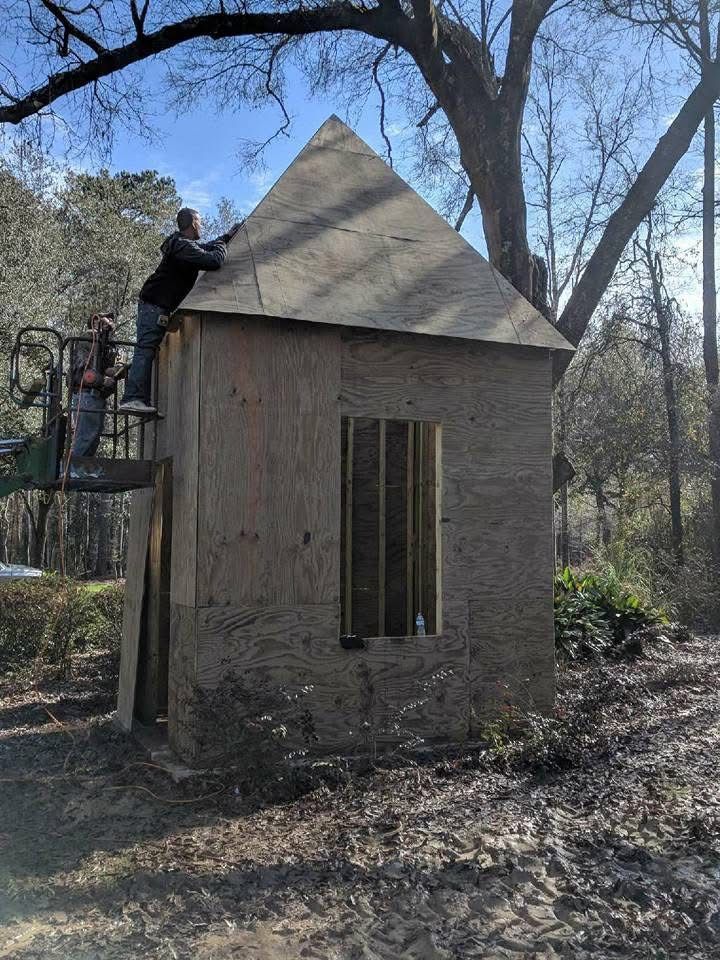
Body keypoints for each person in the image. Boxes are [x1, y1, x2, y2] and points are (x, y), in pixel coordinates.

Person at [118, 208, 238, 416]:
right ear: (193, 223)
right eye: (200, 222)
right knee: (145, 348)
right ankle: (133, 398)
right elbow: (213, 261)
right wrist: (221, 245)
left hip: (155, 304)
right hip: (154, 305)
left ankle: (138, 398)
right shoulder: (182, 245)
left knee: (147, 349)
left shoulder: (182, 246)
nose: (201, 225)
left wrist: (226, 236)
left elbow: (204, 249)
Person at [68, 314, 127, 458]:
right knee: (85, 437)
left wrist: (116, 371)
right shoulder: (87, 340)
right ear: (94, 321)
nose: (109, 322)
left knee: (92, 439)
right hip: (87, 395)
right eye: (104, 319)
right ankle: (72, 473)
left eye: (110, 320)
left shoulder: (105, 345)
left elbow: (102, 368)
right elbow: (81, 370)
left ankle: (80, 472)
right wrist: (101, 380)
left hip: (96, 397)